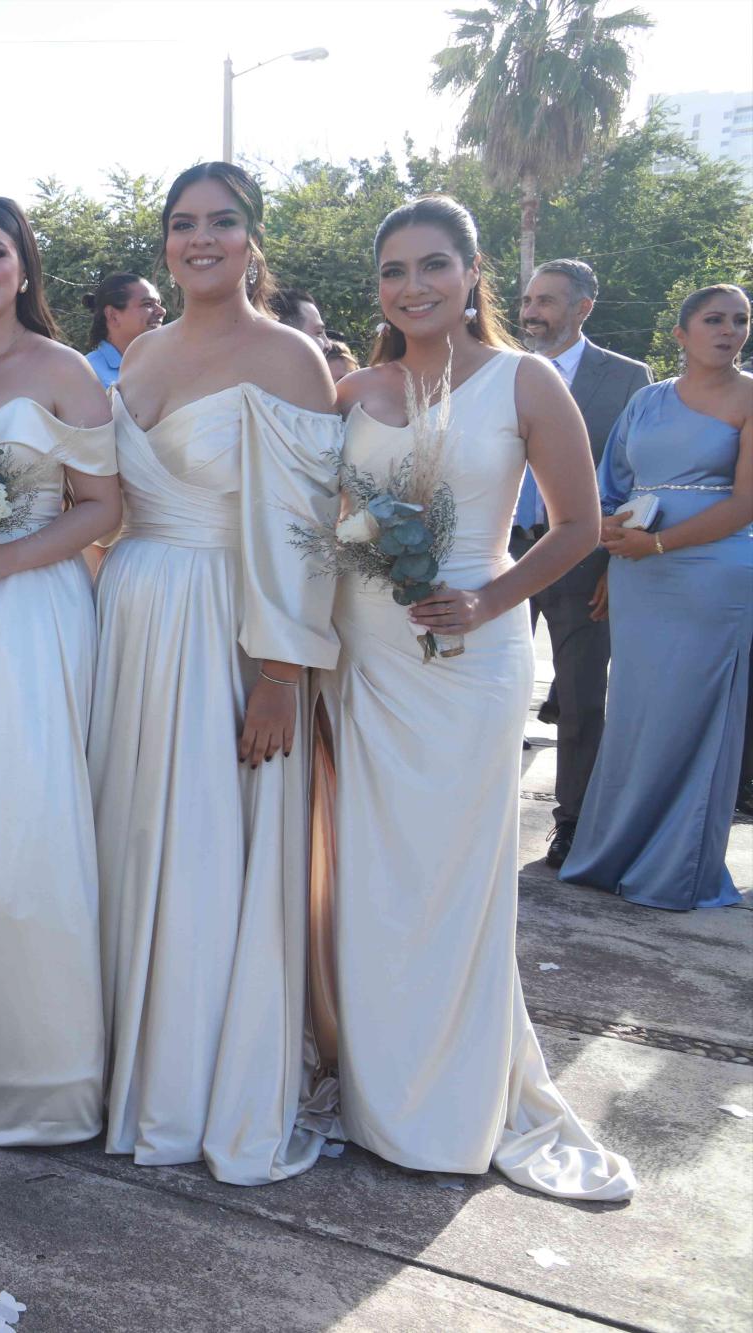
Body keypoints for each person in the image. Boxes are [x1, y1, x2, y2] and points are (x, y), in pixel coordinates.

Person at [325, 196, 632, 1200]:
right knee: (371, 873)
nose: (410, 286)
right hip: (365, 654)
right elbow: (318, 520)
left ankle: (448, 1097)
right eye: (391, 271)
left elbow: (577, 524)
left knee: (452, 876)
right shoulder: (353, 389)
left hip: (471, 656)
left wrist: (487, 596)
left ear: (470, 273)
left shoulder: (523, 379)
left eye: (429, 266)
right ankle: (376, 1088)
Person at [90, 162, 340, 1186]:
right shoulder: (141, 348)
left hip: (225, 625)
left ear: (250, 237)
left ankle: (192, 1081)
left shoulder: (286, 358)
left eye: (220, 223)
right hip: (130, 611)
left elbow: (303, 533)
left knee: (203, 845)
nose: (201, 239)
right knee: (126, 833)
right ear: (164, 243)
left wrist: (278, 672)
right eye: (183, 223)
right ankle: (116, 1064)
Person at [0, 195, 121, 1146]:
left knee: (26, 825)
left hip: (32, 612)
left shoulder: (63, 370)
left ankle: (42, 1069)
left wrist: (10, 557)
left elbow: (102, 505)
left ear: (22, 265)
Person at [562, 284, 752, 910]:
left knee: (691, 719)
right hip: (639, 577)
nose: (728, 330)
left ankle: (672, 868)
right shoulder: (646, 402)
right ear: (681, 333)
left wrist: (661, 546)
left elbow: (747, 504)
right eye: (714, 319)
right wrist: (612, 555)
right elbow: (610, 486)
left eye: (740, 320)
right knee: (637, 716)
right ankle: (611, 855)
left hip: (712, 578)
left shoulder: (751, 398)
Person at [513, 258, 653, 867]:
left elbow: (637, 477)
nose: (531, 312)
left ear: (583, 309)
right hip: (503, 552)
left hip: (581, 557)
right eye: (527, 300)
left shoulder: (626, 380)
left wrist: (612, 566)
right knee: (486, 686)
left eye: (546, 301)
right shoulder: (500, 369)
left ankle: (572, 822)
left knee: (579, 700)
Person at [83, 272, 166, 389]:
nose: (162, 311)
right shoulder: (86, 374)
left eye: (159, 303)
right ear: (112, 315)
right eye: (147, 304)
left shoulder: (166, 366)